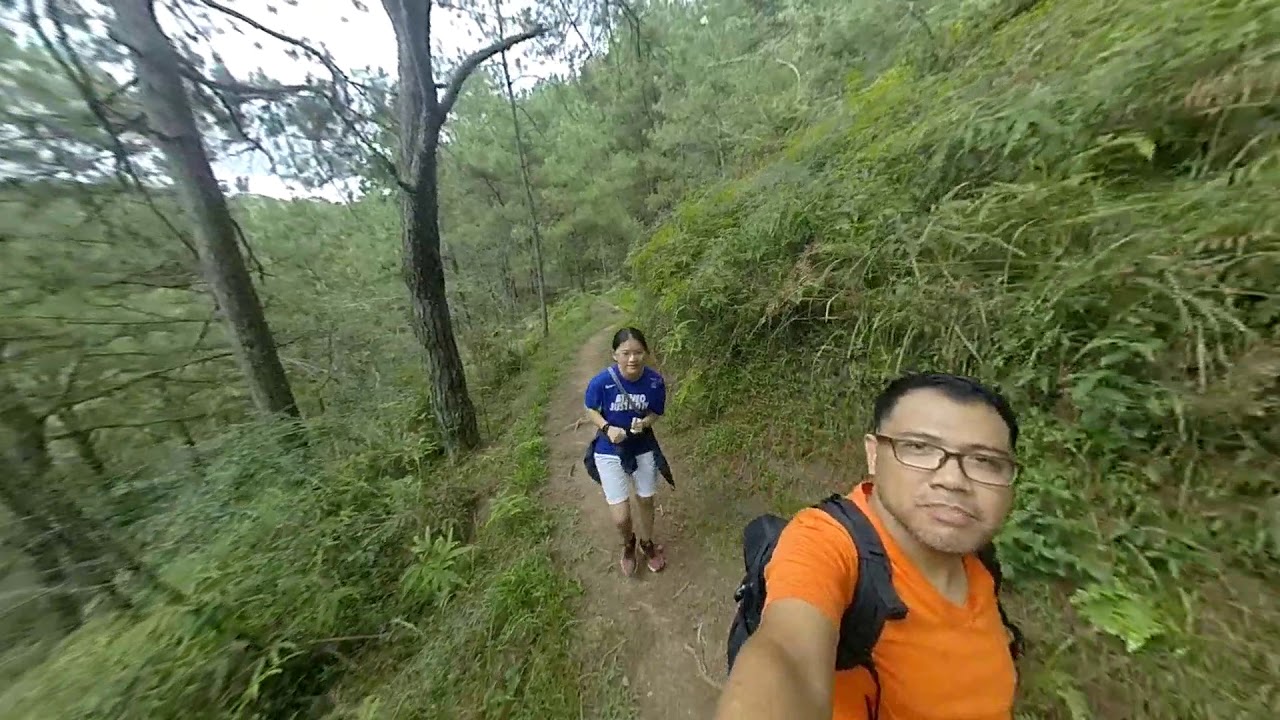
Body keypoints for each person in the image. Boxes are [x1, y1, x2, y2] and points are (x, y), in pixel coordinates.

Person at [715, 372, 1022, 720]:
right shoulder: (827, 544)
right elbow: (787, 653)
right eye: (919, 448)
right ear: (874, 455)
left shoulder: (978, 557)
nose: (953, 480)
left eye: (985, 461)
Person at [583, 327, 668, 576]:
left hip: (642, 448)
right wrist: (607, 427)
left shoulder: (654, 381)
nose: (632, 358)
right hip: (610, 451)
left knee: (646, 500)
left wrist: (645, 423)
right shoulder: (601, 382)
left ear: (646, 353)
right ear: (615, 355)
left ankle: (647, 542)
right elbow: (590, 408)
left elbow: (656, 412)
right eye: (626, 353)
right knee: (620, 516)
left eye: (638, 352)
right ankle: (628, 542)